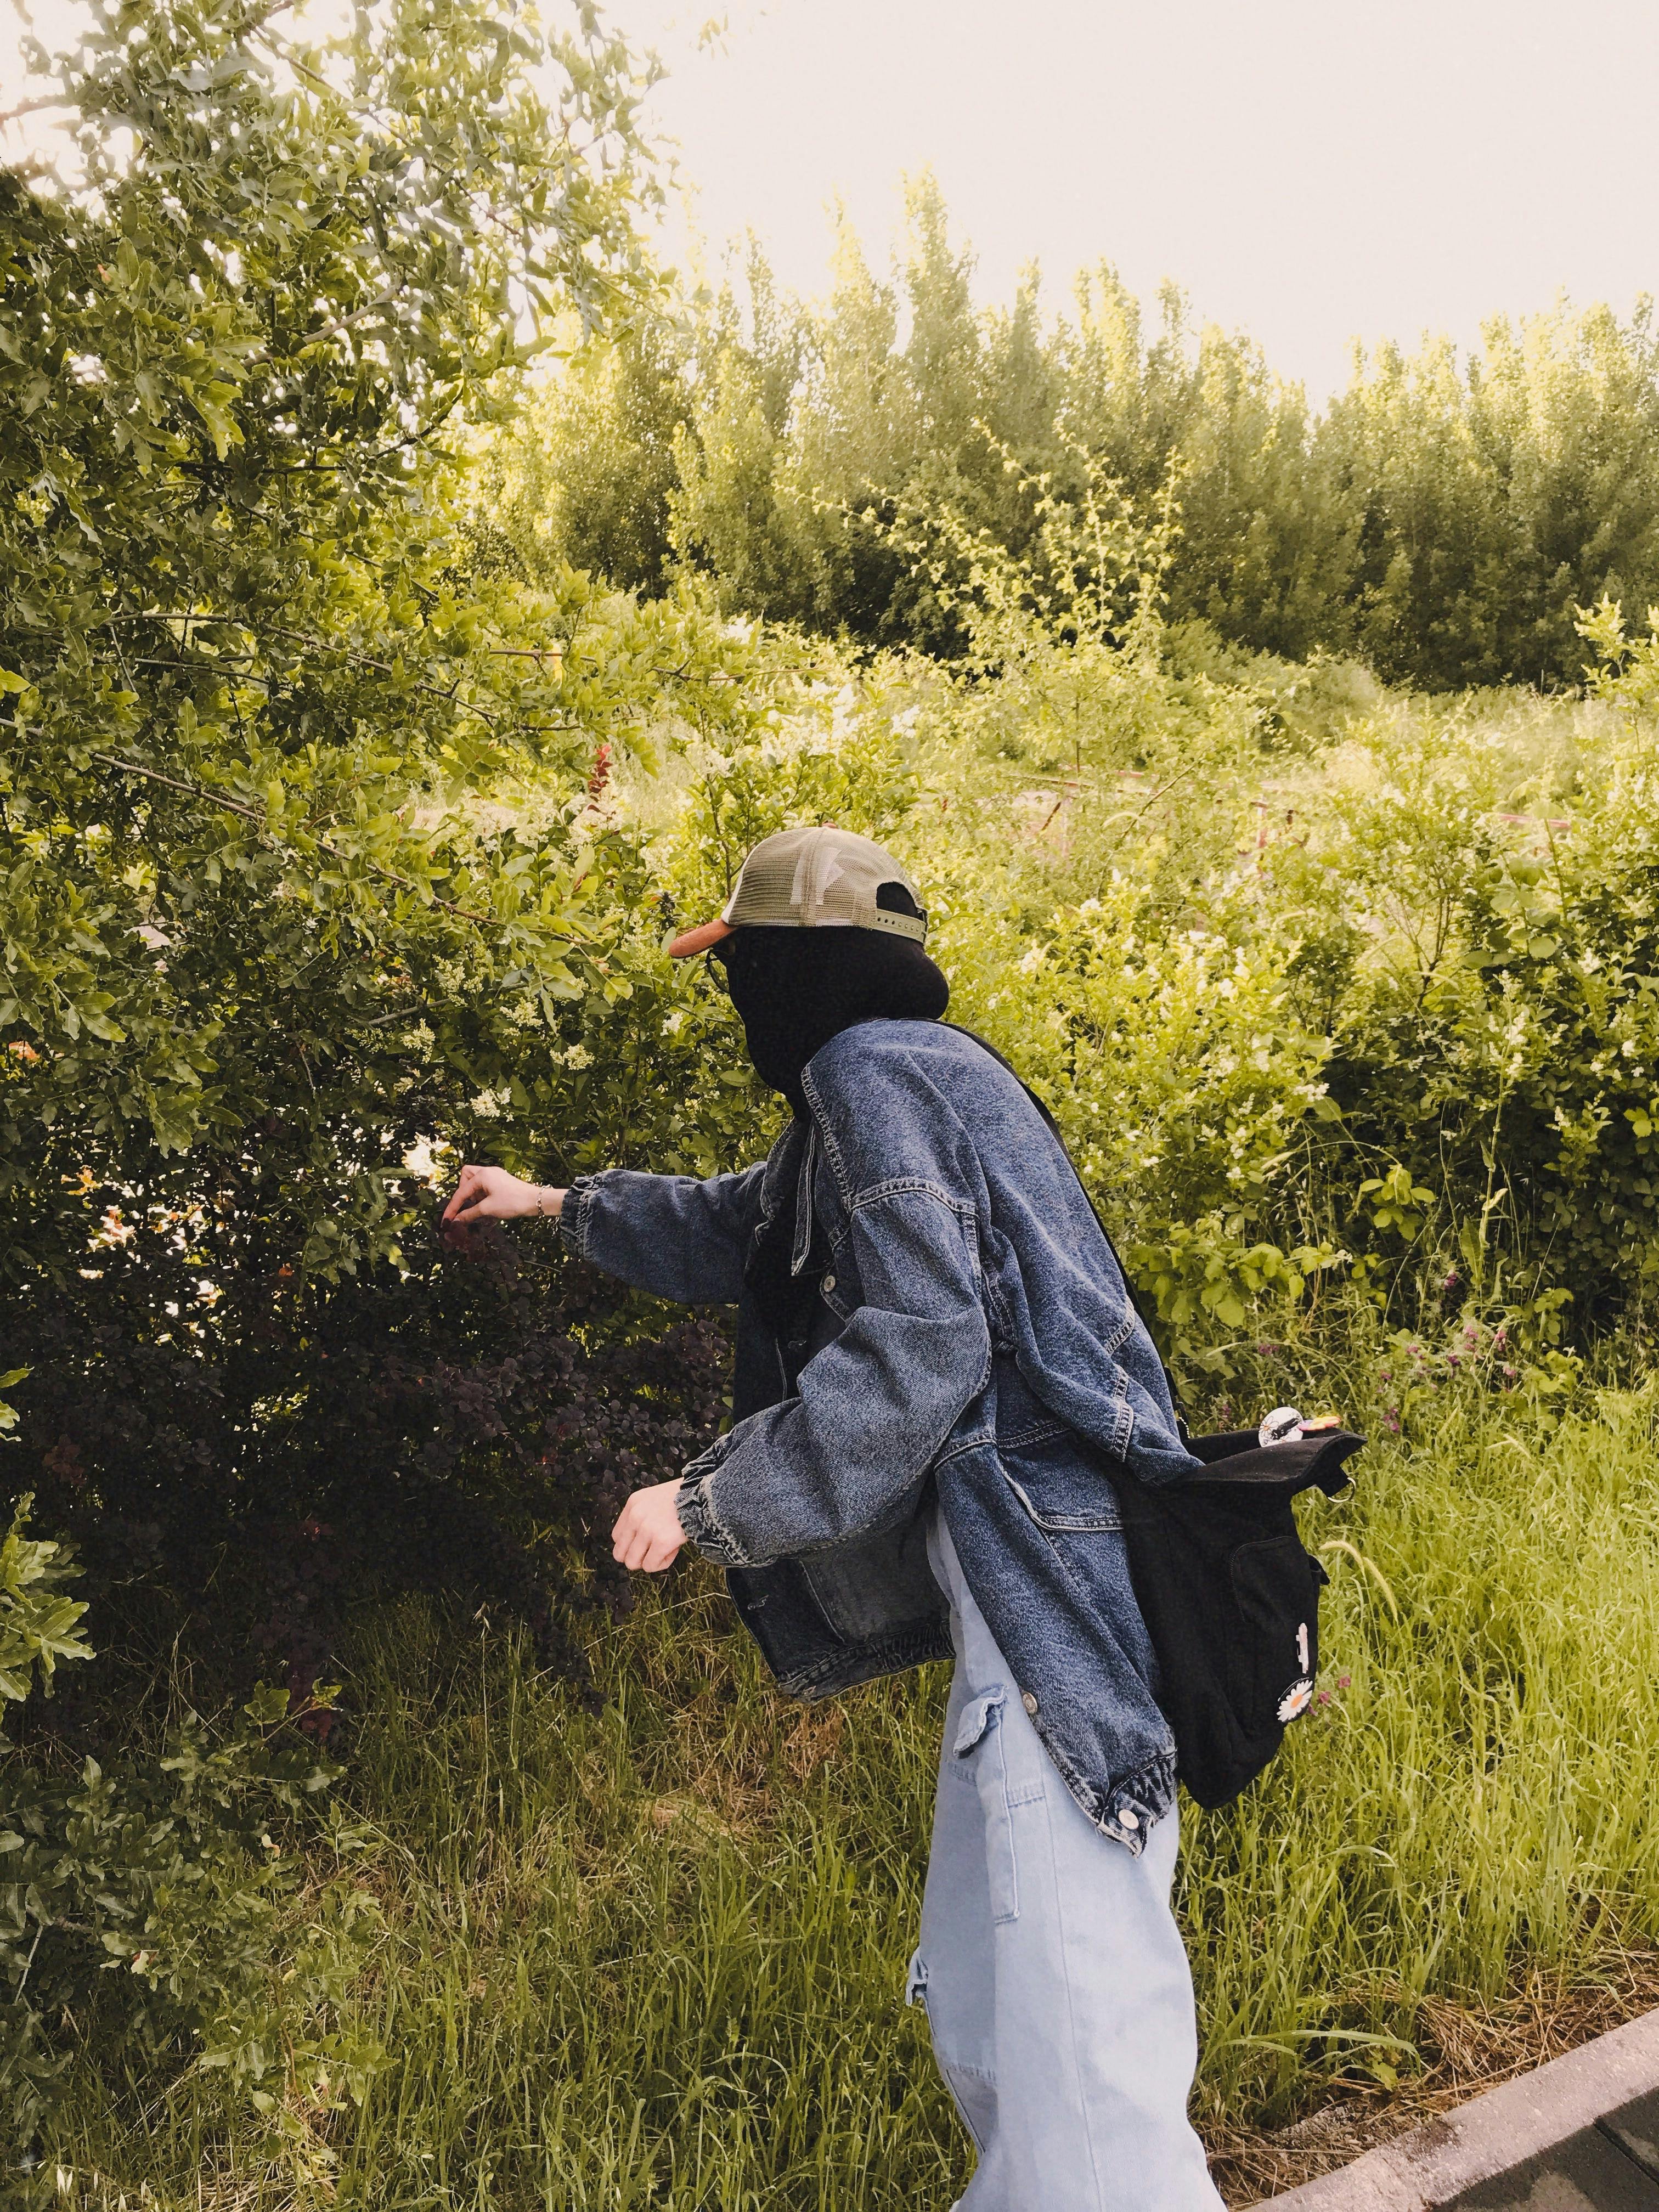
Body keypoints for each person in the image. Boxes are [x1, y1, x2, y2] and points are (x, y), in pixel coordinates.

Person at [443, 825, 1224, 2211]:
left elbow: (922, 1348)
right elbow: (745, 1225)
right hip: (1034, 1584)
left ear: (794, 969)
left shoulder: (873, 1078)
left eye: (738, 969)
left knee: (1081, 2044)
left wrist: (708, 1499)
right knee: (996, 2012)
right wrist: (551, 1201)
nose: (731, 997)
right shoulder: (899, 1083)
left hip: (1046, 1586)